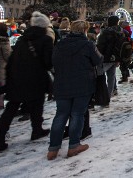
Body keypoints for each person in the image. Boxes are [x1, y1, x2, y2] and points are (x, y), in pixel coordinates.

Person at [0, 11, 53, 153]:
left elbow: (12, 59)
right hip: (36, 77)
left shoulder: (22, 39)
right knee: (37, 104)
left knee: (11, 108)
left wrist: (10, 76)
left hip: (17, 77)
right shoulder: (45, 39)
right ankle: (36, 129)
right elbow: (47, 62)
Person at [47, 20, 102, 160]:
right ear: (84, 30)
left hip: (62, 83)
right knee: (77, 114)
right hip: (82, 83)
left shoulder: (60, 44)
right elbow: (98, 60)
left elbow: (52, 62)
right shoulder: (88, 45)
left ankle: (53, 148)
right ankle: (74, 145)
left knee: (60, 114)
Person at [96, 16, 124, 98]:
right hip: (116, 57)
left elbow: (101, 45)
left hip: (105, 56)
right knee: (111, 77)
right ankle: (108, 95)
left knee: (99, 74)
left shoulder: (105, 32)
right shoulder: (121, 32)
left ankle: (101, 94)